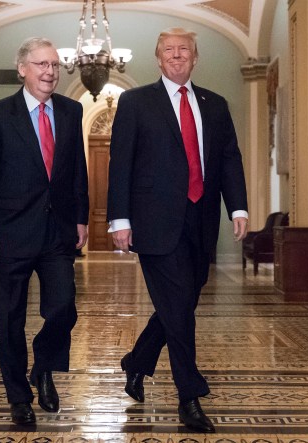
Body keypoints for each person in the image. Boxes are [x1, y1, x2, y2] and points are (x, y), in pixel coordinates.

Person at [106, 27, 249, 433]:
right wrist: (120, 219)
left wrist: (237, 207)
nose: (176, 55)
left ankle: (137, 362)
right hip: (154, 223)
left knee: (180, 305)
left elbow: (229, 160)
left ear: (194, 58)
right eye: (168, 49)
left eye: (184, 50)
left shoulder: (216, 105)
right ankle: (189, 395)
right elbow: (121, 164)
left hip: (200, 221)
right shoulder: (135, 102)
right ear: (158, 58)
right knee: (180, 311)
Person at [0, 36, 89, 426]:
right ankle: (18, 398)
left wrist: (82, 217)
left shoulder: (71, 112)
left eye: (54, 65)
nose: (50, 72)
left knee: (63, 307)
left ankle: (43, 367)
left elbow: (77, 171)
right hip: (9, 233)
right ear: (22, 69)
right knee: (9, 319)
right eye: (41, 64)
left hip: (57, 233)